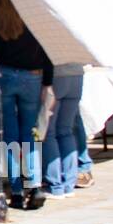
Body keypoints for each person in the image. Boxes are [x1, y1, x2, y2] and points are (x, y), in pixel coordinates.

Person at [0, 0, 53, 211]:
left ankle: (16, 191)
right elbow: (47, 48)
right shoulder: (33, 12)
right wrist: (48, 80)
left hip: (5, 75)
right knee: (30, 134)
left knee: (10, 137)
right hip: (33, 75)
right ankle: (34, 184)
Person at [44, 65, 85, 198]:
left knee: (48, 133)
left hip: (56, 77)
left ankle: (55, 186)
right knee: (66, 131)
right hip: (77, 76)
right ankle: (69, 185)